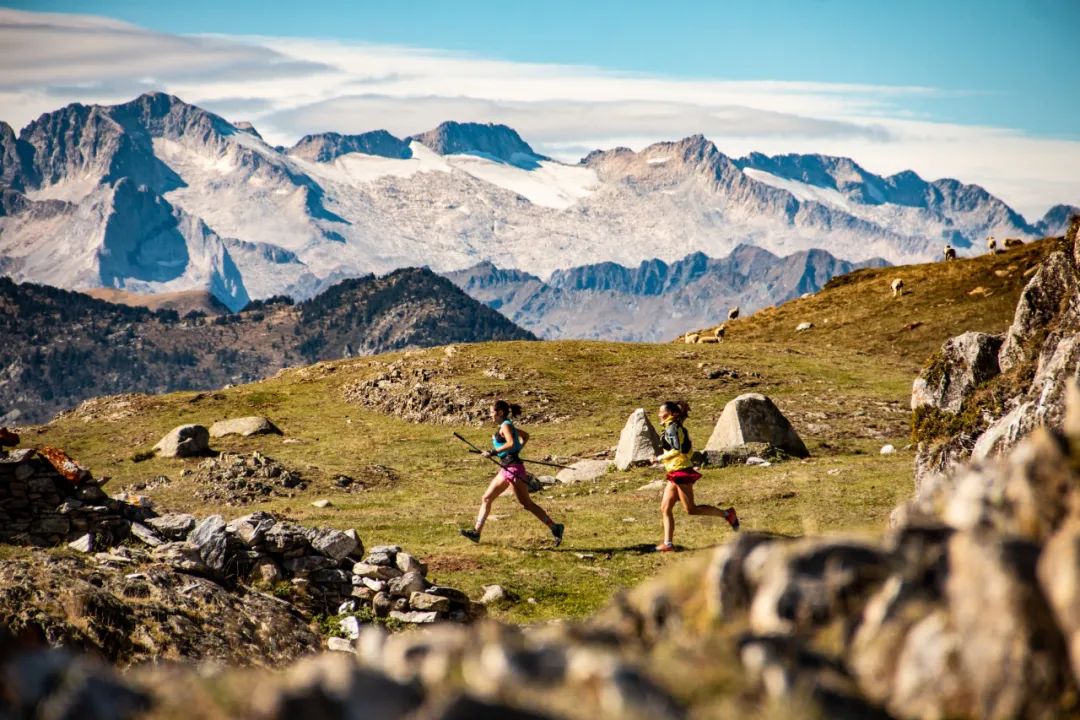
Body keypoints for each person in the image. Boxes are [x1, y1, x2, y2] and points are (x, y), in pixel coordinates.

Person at [460, 400, 564, 546]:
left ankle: (555, 527)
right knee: (486, 498)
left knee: (527, 504)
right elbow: (525, 436)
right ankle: (476, 533)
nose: (490, 414)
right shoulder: (508, 425)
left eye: (492, 411)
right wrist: (515, 451)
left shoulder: (506, 426)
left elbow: (510, 443)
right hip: (506, 468)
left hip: (514, 469)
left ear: (500, 412)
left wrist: (494, 452)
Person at [653, 400, 739, 552]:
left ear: (672, 414)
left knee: (691, 509)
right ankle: (668, 544)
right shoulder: (674, 427)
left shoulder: (673, 428)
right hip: (674, 471)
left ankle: (727, 514)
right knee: (665, 508)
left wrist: (659, 458)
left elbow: (677, 450)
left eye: (662, 412)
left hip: (681, 472)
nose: (659, 414)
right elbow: (688, 450)